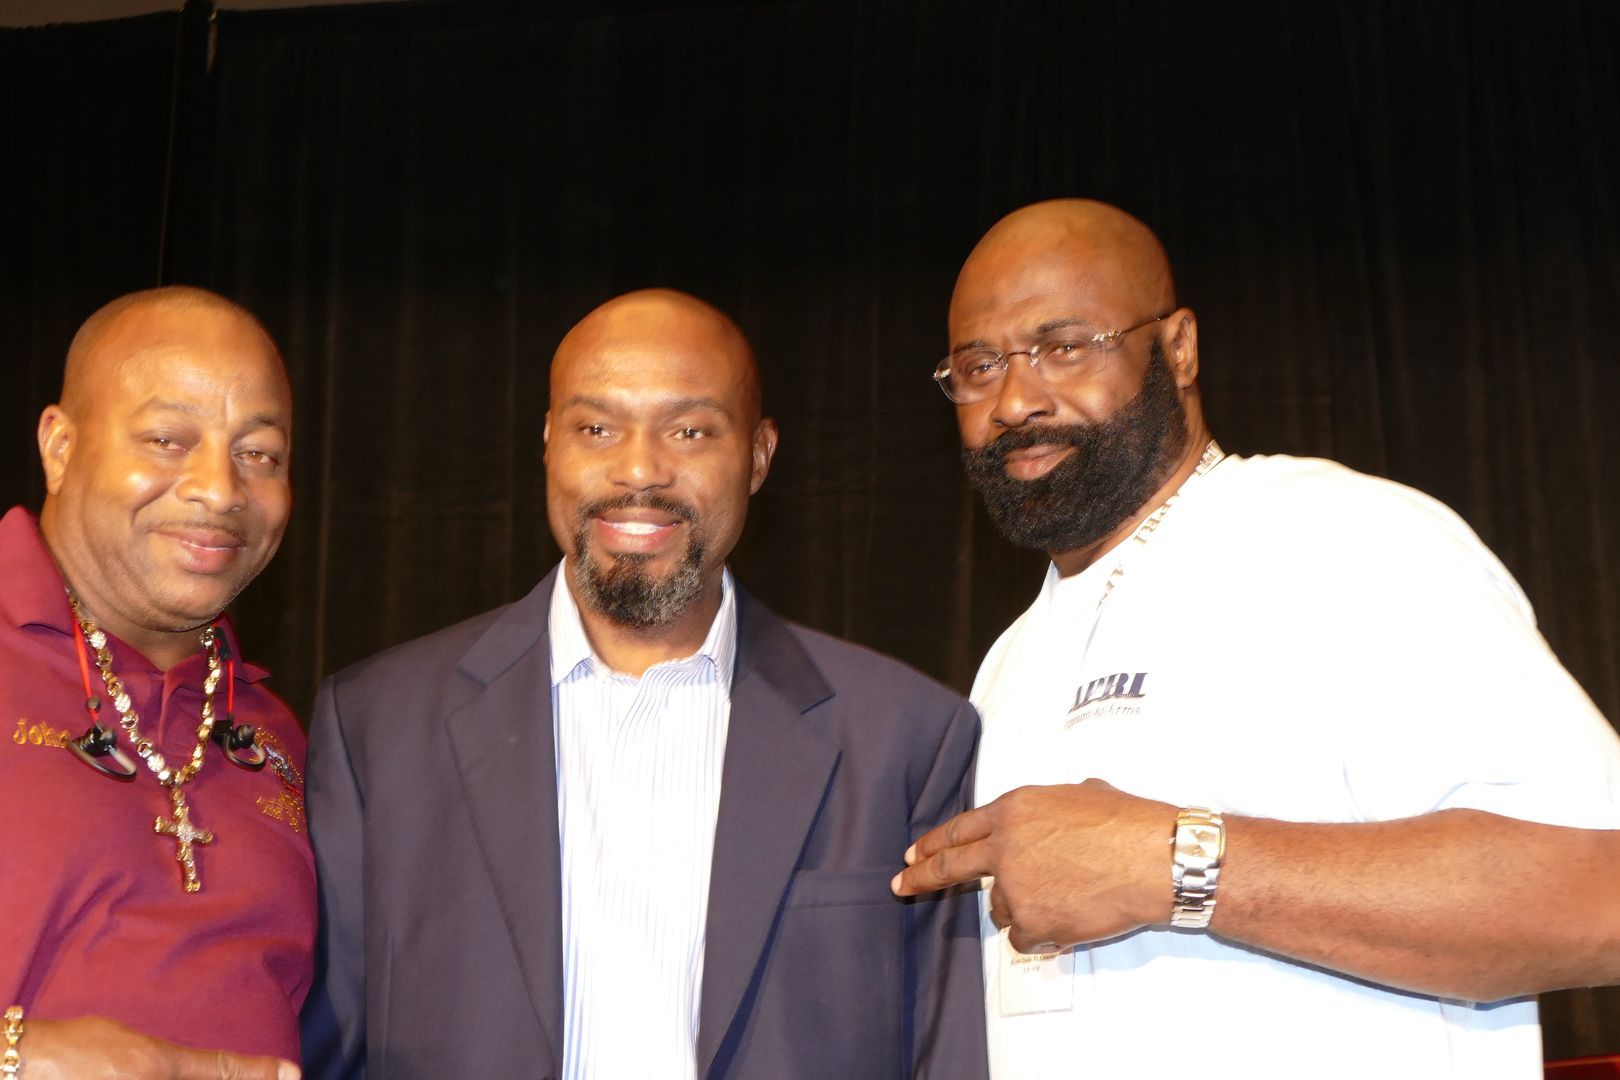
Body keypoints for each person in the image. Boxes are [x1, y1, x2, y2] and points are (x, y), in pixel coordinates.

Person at [891, 199, 1620, 1078]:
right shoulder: (1008, 663)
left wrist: (1171, 862)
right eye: (978, 366)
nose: (1015, 398)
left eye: (1066, 345)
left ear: (1179, 347)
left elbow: (1596, 894)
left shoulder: (1342, 535)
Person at [300, 289, 987, 1079]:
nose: (638, 471)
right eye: (597, 429)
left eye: (690, 430)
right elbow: (330, 1052)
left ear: (760, 456)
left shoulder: (906, 740)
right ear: (549, 444)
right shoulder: (376, 729)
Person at [1, 287, 313, 1079]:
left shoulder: (277, 729)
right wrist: (17, 1056)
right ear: (60, 445)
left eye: (260, 453)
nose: (221, 489)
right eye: (170, 438)